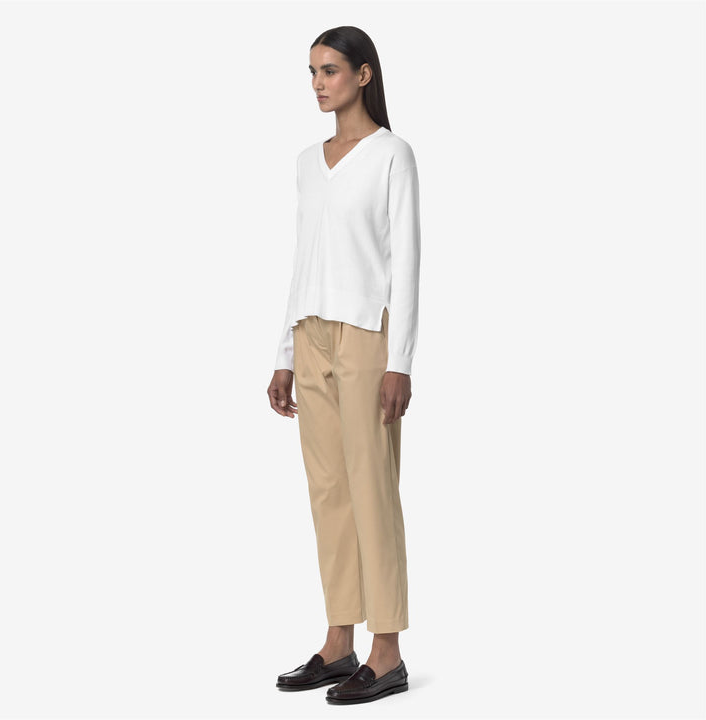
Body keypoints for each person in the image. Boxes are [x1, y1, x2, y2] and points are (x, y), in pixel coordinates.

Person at [267, 25, 421, 705]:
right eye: (311, 72)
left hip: (365, 337)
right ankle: (339, 642)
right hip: (311, 335)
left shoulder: (392, 154)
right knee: (328, 491)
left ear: (363, 75)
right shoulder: (308, 161)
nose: (317, 83)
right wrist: (283, 353)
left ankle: (387, 651)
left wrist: (400, 361)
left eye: (329, 70)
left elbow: (407, 263)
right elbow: (303, 259)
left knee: (372, 490)